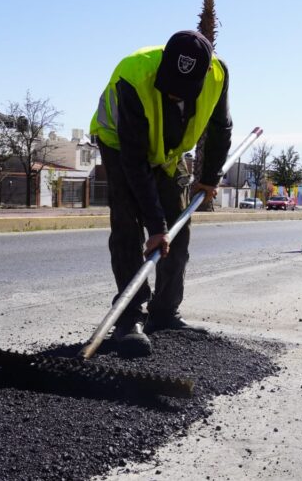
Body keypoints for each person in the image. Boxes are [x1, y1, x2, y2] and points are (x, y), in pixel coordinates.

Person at [89, 30, 233, 356]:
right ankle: (129, 318)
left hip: (167, 154)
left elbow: (221, 127)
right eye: (169, 88)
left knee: (178, 227)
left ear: (204, 75)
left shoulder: (218, 75)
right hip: (121, 146)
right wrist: (155, 228)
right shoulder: (134, 75)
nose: (172, 96)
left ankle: (165, 312)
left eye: (182, 92)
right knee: (127, 224)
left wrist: (209, 178)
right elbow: (135, 160)